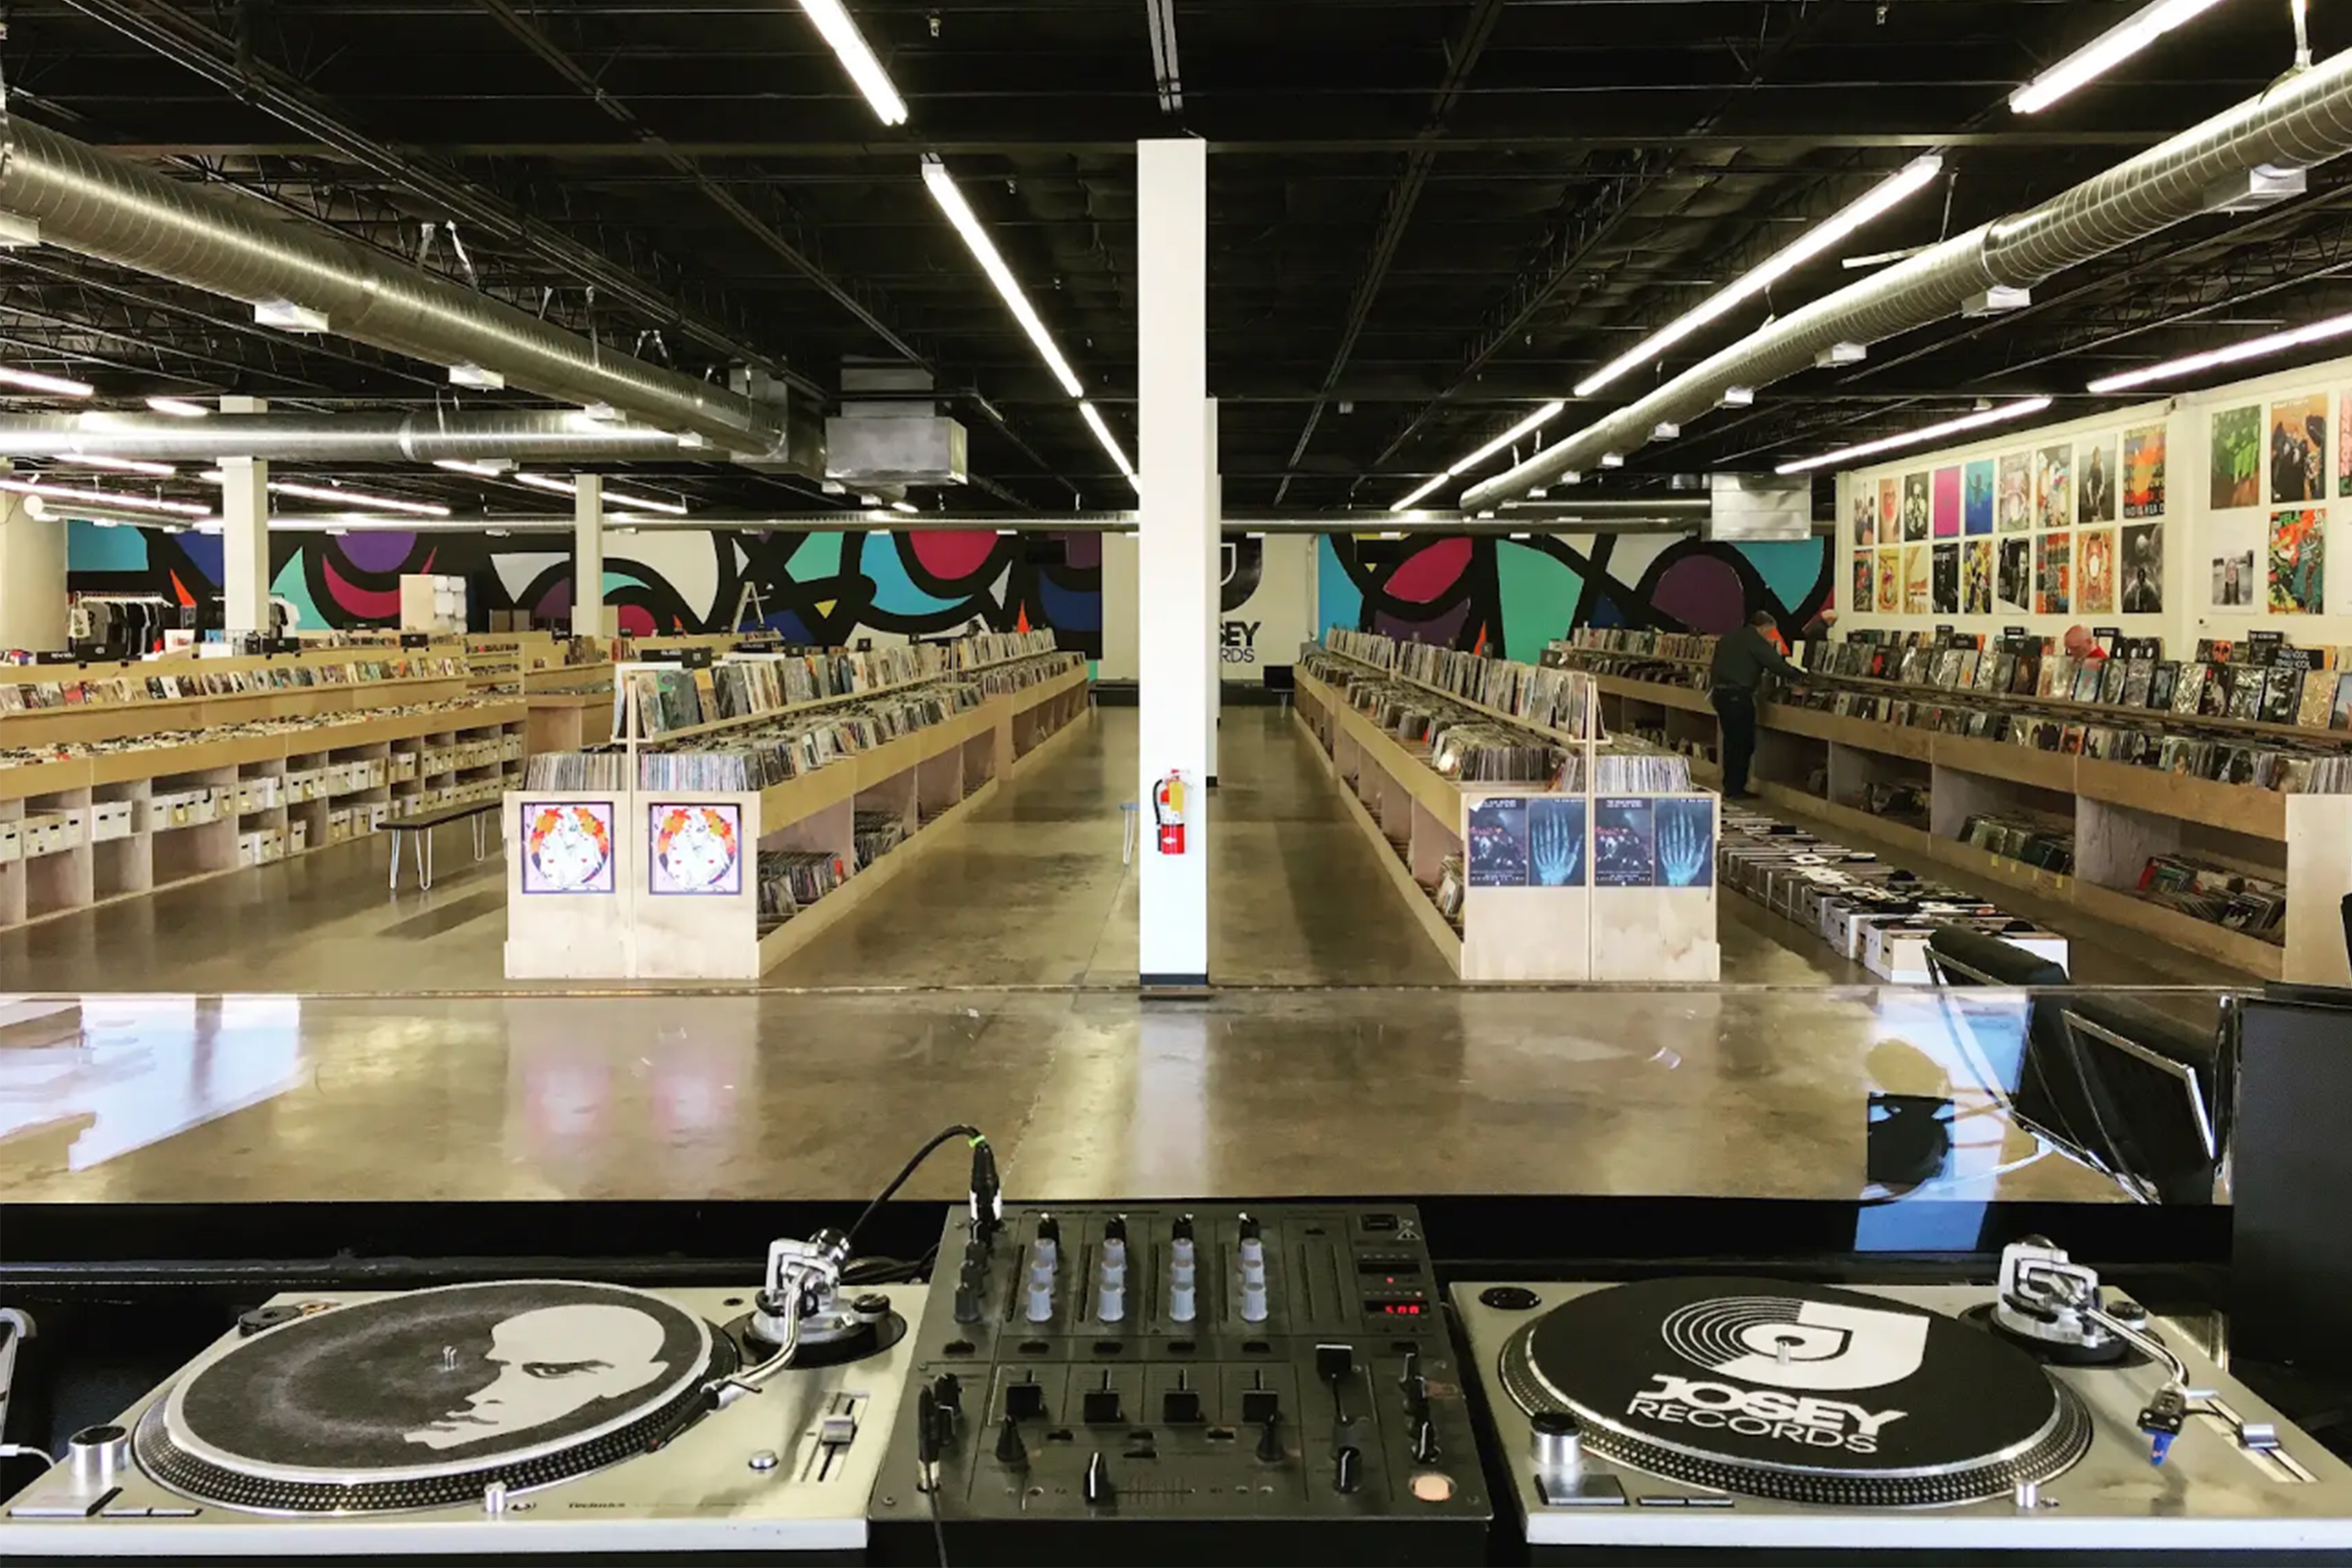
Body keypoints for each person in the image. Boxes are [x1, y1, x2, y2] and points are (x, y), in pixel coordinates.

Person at [1709, 610, 1803, 800]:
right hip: (1738, 696)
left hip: (1719, 694)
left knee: (1731, 742)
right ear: (1763, 627)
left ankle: (1730, 786)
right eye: (1770, 631)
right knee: (1743, 743)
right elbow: (1774, 664)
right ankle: (1736, 788)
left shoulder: (1729, 637)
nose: (1770, 635)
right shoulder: (1755, 641)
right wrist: (1798, 675)